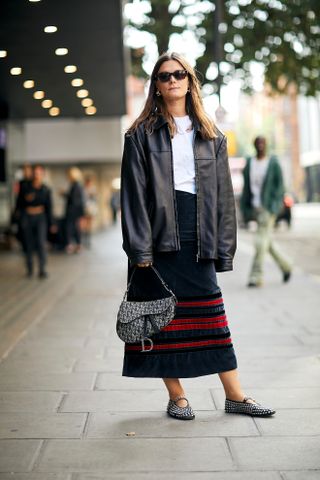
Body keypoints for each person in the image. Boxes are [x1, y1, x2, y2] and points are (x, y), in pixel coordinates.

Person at [120, 52, 275, 420]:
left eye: (178, 74)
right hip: (157, 236)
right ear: (156, 86)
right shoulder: (139, 134)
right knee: (163, 317)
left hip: (198, 231)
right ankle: (177, 397)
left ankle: (234, 395)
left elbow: (223, 198)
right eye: (163, 76)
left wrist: (224, 249)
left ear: (189, 81)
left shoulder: (212, 135)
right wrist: (140, 251)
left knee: (211, 314)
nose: (171, 80)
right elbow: (133, 197)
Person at [240, 136, 292, 287]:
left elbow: (280, 187)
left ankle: (256, 277)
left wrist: (274, 206)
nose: (260, 145)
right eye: (258, 143)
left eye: (263, 143)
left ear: (266, 145)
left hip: (268, 209)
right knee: (266, 241)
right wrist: (245, 207)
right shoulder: (250, 163)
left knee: (260, 242)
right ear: (254, 145)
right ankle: (286, 266)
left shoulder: (273, 163)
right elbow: (247, 187)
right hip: (255, 207)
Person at [19, 165, 55, 278]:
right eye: (35, 173)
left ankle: (42, 269)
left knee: (41, 243)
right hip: (28, 217)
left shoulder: (45, 189)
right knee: (28, 244)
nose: (37, 175)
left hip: (41, 218)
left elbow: (49, 207)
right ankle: (29, 269)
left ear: (42, 175)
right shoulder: (25, 187)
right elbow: (19, 204)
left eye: (39, 173)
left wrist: (52, 223)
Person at [63, 167, 85, 254]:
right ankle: (77, 244)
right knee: (75, 228)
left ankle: (72, 245)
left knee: (70, 227)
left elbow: (74, 199)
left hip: (73, 211)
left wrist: (65, 194)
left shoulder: (76, 185)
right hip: (75, 211)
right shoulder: (77, 185)